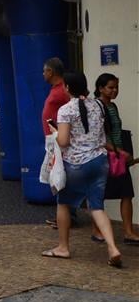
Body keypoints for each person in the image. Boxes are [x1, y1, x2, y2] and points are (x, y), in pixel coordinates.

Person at [42, 73, 123, 267]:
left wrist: (55, 131)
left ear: (67, 88)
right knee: (97, 207)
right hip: (99, 161)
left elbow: (63, 141)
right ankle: (113, 248)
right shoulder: (98, 105)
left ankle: (63, 247)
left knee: (63, 203)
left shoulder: (65, 110)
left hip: (76, 164)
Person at [95, 73, 138, 245]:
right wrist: (119, 151)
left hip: (119, 156)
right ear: (100, 88)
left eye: (116, 87)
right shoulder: (97, 108)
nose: (115, 90)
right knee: (99, 194)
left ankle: (128, 231)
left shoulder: (113, 106)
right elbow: (99, 138)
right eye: (111, 87)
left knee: (126, 193)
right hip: (106, 156)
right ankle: (97, 230)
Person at [41, 58, 74, 230]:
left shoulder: (62, 91)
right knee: (56, 175)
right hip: (53, 139)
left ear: (51, 72)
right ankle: (64, 215)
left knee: (60, 175)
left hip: (59, 139)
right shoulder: (57, 90)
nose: (43, 74)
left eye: (44, 71)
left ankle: (69, 215)